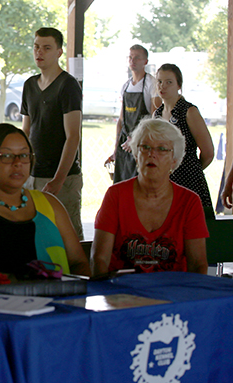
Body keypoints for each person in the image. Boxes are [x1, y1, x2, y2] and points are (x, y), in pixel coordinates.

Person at [0, 123, 91, 277]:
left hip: (60, 292)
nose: (18, 162)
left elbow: (78, 263)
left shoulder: (50, 204)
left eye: (24, 155)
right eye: (7, 156)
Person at [91, 118, 208, 276]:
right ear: (136, 155)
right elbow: (99, 259)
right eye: (145, 147)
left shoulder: (189, 202)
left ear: (174, 160)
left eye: (162, 149)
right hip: (121, 289)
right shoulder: (115, 195)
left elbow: (198, 265)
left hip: (173, 290)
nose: (152, 154)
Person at [21, 27, 84, 239]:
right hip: (33, 174)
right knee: (34, 236)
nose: (39, 52)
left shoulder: (68, 85)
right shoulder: (30, 85)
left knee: (67, 236)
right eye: (36, 47)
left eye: (47, 48)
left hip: (62, 177)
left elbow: (73, 136)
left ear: (58, 52)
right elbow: (26, 130)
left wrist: (58, 179)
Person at [153, 63, 214, 208]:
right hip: (164, 183)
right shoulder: (157, 115)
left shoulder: (189, 112)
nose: (163, 87)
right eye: (159, 82)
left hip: (189, 182)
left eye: (169, 82)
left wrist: (192, 170)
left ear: (179, 85)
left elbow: (208, 152)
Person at [108, 44, 161, 183]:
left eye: (137, 57)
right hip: (124, 144)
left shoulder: (151, 84)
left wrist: (136, 138)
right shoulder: (125, 86)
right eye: (130, 57)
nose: (133, 61)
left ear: (145, 61)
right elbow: (121, 120)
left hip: (142, 144)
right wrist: (116, 148)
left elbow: (155, 118)